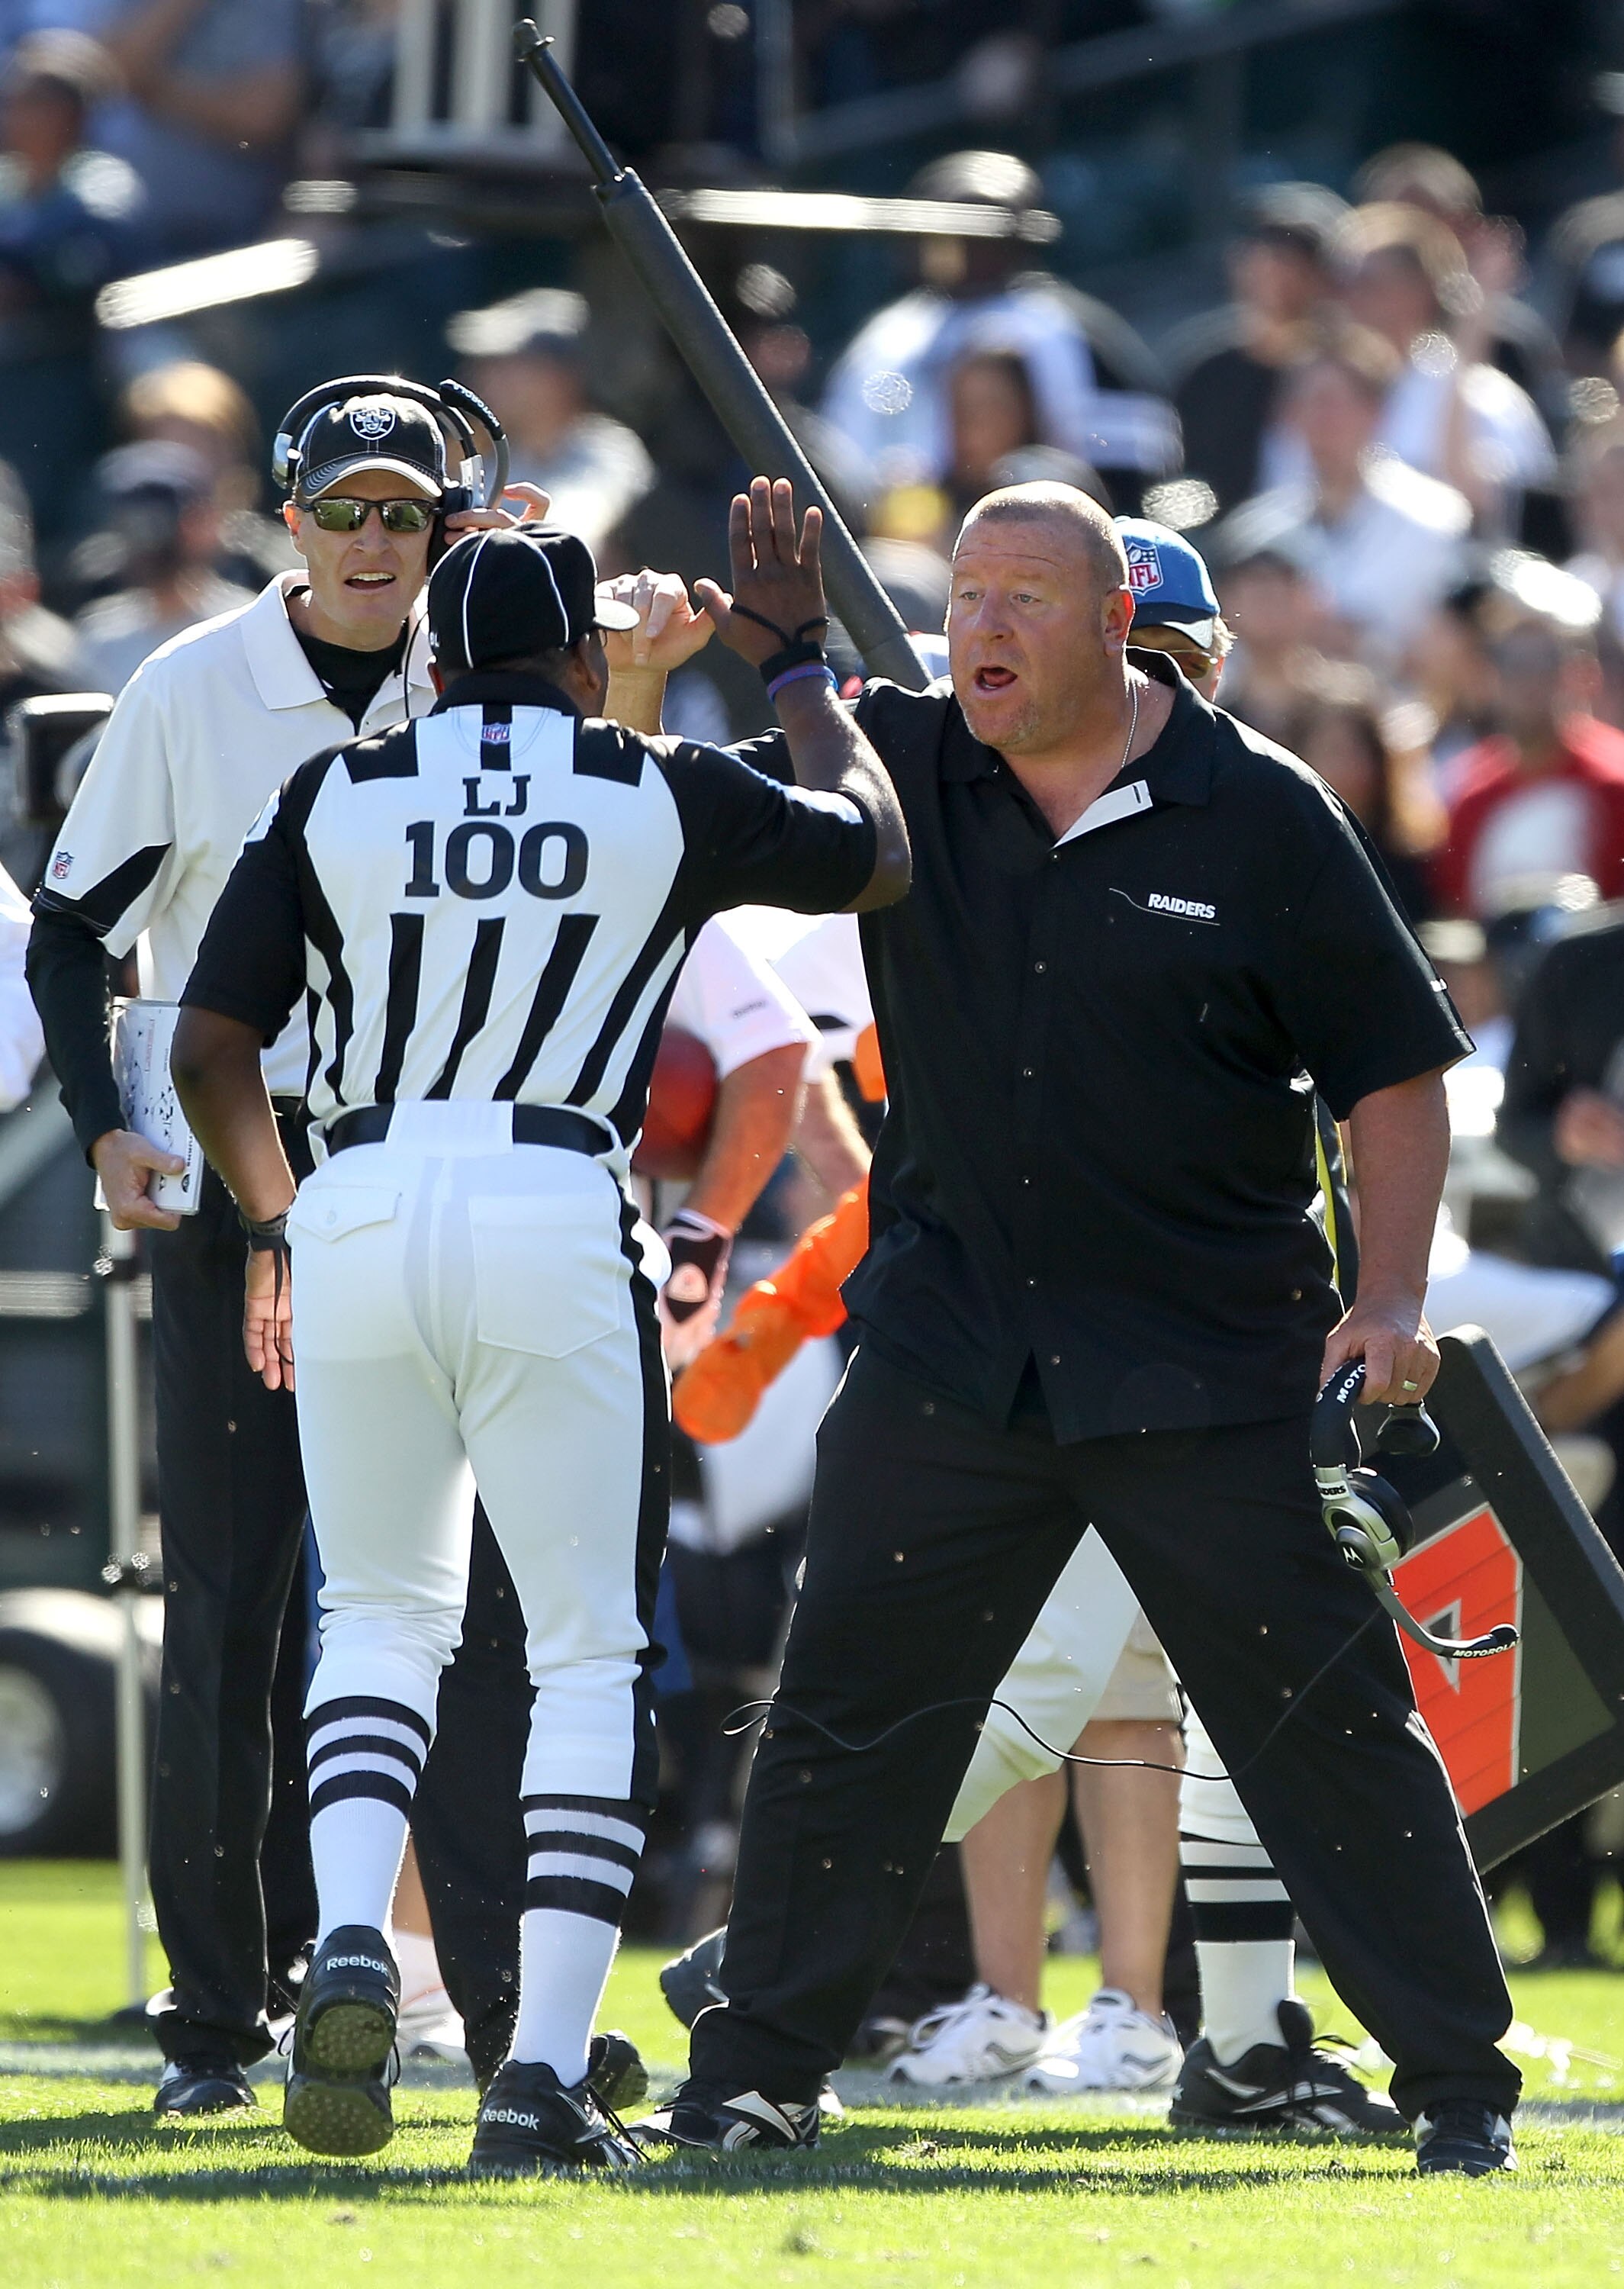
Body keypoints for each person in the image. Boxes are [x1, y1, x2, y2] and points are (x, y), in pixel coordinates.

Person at [614, 478, 1520, 2178]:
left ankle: (1457, 2084)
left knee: (1321, 1719)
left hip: (1207, 1357)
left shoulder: (1255, 809)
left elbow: (1392, 1069)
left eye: (1023, 597)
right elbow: (775, 806)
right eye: (961, 596)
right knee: (838, 1712)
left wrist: (1388, 1298)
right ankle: (750, 2076)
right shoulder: (899, 772)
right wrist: (772, 648)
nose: (979, 628)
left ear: (1119, 625)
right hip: (954, 1344)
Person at [169, 494, 909, 2176]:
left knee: (373, 1612)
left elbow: (216, 1046)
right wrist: (793, 663)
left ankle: (353, 1935)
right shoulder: (656, 783)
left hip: (357, 1192)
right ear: (583, 663)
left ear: (432, 659)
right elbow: (873, 851)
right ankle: (541, 2078)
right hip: (556, 1195)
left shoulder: (337, 788)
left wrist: (280, 1217)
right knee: (583, 1650)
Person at [24, 377, 545, 2115]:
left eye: (409, 515)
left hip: (426, 1169)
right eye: (350, 511)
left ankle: (486, 2008)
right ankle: (211, 2019)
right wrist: (106, 1127)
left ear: (449, 522)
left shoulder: (481, 664)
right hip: (241, 1169)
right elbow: (73, 934)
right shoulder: (188, 687)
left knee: (451, 1609)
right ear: (293, 518)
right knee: (231, 1603)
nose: (378, 541)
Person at [820, 149, 1178, 514]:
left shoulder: (1074, 333)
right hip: (904, 553)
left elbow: (1138, 471)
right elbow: (844, 466)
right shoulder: (888, 341)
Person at [1224, 332, 1470, 668]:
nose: (1320, 420)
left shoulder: (1435, 521)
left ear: (1375, 412)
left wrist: (1365, 644)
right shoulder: (1257, 534)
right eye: (1306, 403)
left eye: (1332, 403)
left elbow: (1451, 652)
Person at [0, 30, 138, 539]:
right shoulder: (9, 182)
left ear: (69, 112)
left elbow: (79, 271)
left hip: (71, 378)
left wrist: (23, 278)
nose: (12, 115)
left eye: (29, 102)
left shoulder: (102, 186)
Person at [1433, 599, 1624, 919]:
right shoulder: (1468, 794)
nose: (1529, 681)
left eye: (1545, 662)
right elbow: (1459, 917)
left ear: (1579, 674)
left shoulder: (1614, 783)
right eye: (1512, 664)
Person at [1167, 182, 1348, 517]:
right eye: (1265, 258)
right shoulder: (1205, 374)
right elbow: (1177, 483)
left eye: (1294, 262)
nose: (1274, 276)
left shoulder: (1346, 376)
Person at [77, 0, 304, 260]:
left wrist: (147, 89)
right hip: (121, 236)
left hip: (230, 240)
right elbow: (103, 68)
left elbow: (261, 119)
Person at [448, 289, 654, 554]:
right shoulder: (491, 460)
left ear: (556, 376)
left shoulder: (610, 450)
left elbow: (574, 531)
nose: (485, 377)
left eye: (508, 365)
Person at [72, 439, 254, 693]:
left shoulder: (243, 625)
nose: (147, 540)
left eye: (160, 522)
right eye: (133, 523)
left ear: (199, 522)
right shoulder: (101, 639)